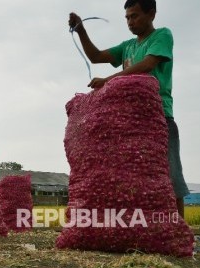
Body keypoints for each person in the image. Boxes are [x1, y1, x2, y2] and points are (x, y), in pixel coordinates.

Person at [68, 0, 189, 217]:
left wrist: (108, 80)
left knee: (170, 177)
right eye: (127, 18)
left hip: (160, 117)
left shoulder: (162, 35)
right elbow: (95, 57)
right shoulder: (128, 46)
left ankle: (180, 233)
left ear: (151, 14)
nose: (130, 22)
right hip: (131, 123)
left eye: (134, 16)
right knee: (131, 178)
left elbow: (147, 65)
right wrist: (81, 31)